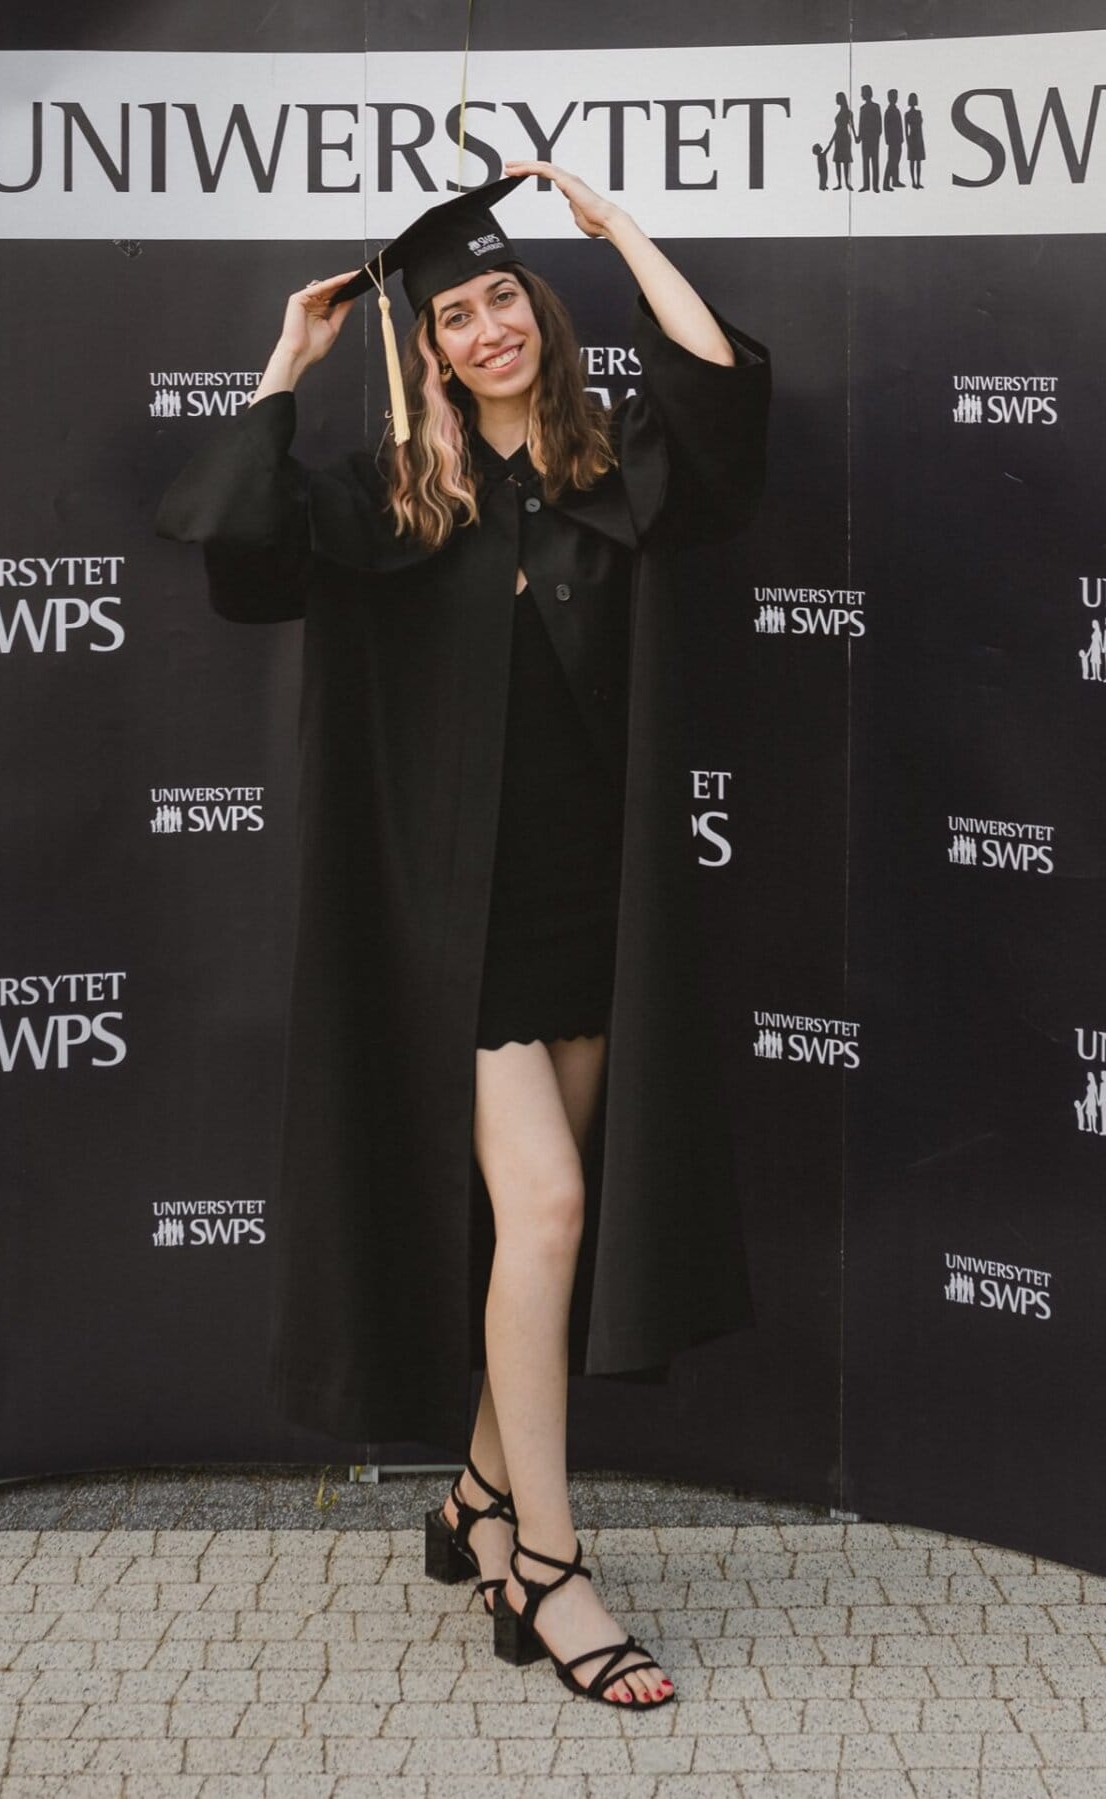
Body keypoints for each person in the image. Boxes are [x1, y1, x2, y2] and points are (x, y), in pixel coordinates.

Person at [156, 161, 771, 1709]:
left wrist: (622, 233)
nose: (487, 325)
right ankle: (548, 1569)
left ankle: (475, 1501)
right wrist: (288, 363)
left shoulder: (606, 469)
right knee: (549, 1218)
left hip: (592, 914)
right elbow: (236, 551)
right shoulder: (386, 499)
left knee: (544, 1236)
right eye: (454, 314)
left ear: (540, 316)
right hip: (460, 932)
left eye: (505, 296)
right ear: (423, 349)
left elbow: (719, 397)